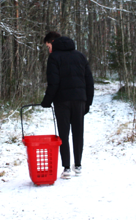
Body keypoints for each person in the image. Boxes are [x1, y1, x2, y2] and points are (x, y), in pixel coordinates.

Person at [41, 31, 94, 179]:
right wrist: (88, 102)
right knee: (78, 132)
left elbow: (54, 83)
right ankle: (78, 166)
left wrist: (46, 101)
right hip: (79, 100)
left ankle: (66, 168)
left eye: (48, 46)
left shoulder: (54, 58)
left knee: (63, 134)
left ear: (53, 42)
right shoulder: (80, 56)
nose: (49, 49)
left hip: (62, 101)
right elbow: (89, 81)